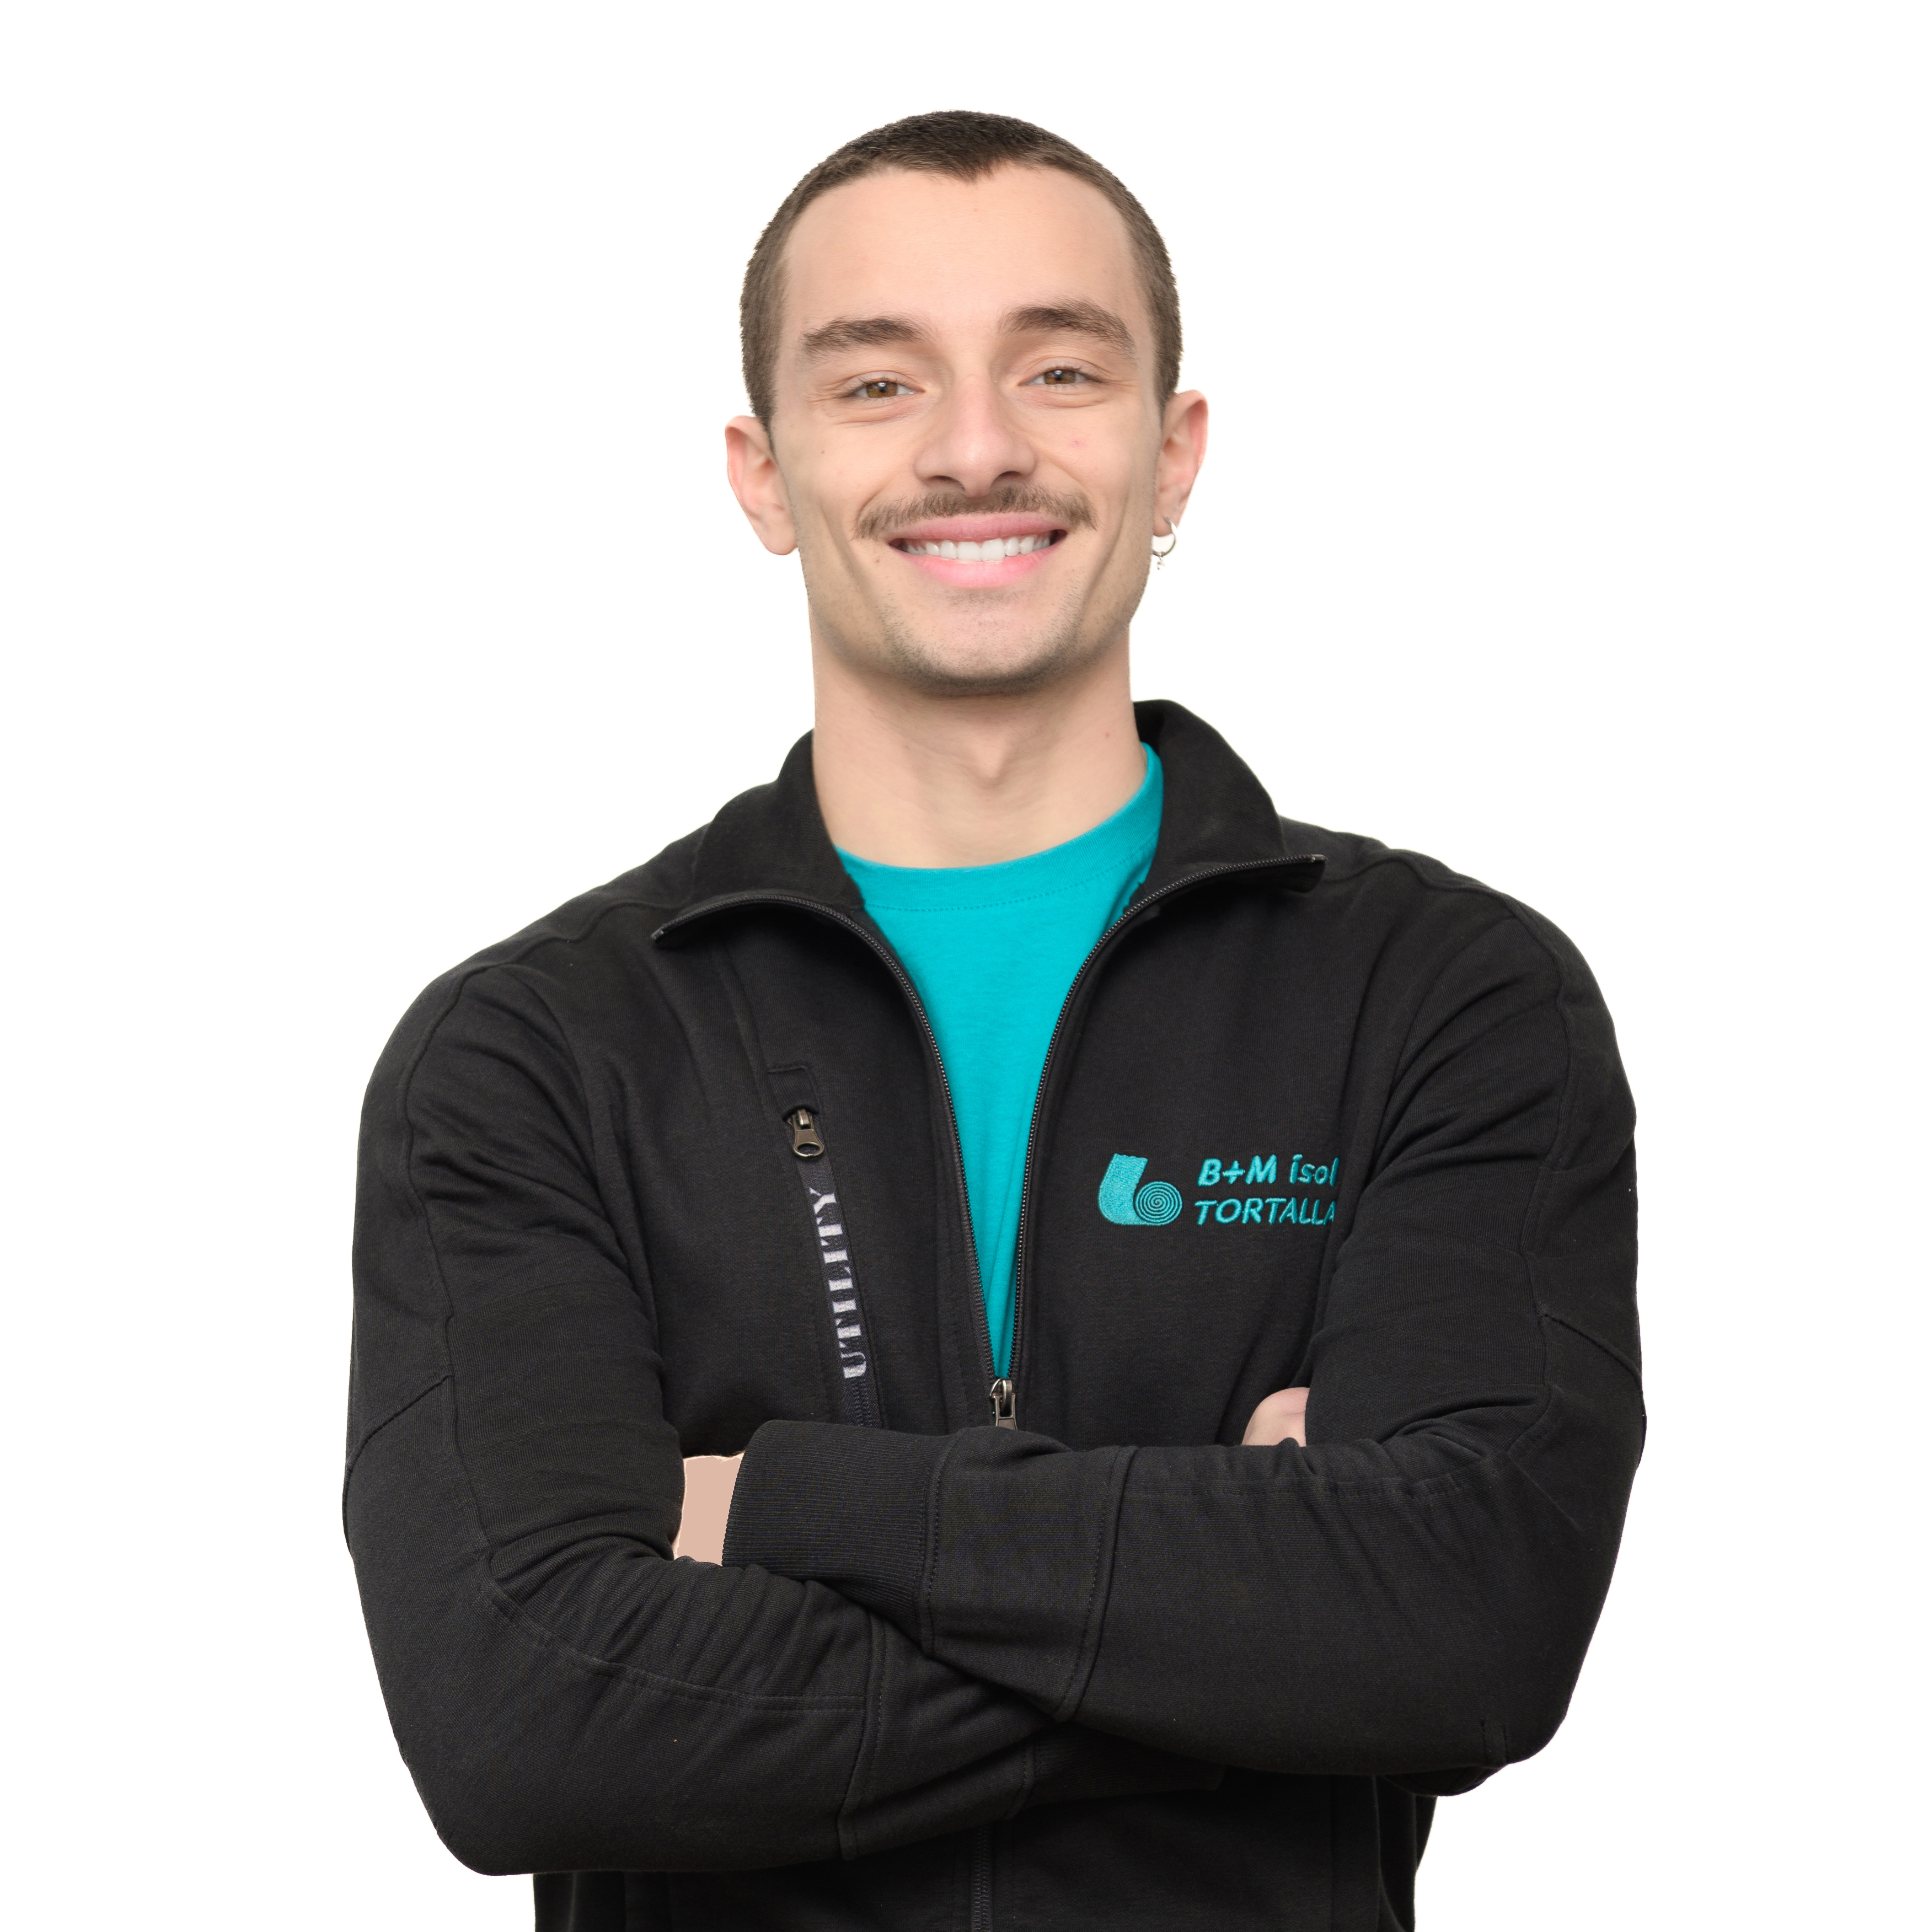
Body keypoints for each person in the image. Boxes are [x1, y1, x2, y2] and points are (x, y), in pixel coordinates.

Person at [345, 110, 1642, 1932]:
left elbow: (1465, 1624)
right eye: (878, 382)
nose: (975, 448)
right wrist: (1255, 1613)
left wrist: (780, 1505)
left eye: (1060, 369)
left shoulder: (1444, 999)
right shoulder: (535, 1056)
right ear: (764, 475)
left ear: (1173, 454)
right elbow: (522, 1729)